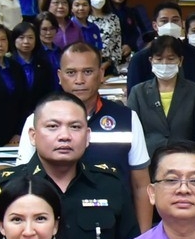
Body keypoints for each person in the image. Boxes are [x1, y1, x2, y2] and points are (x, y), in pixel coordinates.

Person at [0, 91, 137, 239]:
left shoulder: (109, 185)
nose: (65, 136)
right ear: (33, 136)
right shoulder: (2, 189)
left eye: (75, 127)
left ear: (87, 136)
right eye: (53, 126)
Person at [30, 42, 153, 228]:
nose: (79, 80)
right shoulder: (38, 120)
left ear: (101, 74)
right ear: (60, 76)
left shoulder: (127, 119)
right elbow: (24, 181)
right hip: (53, 226)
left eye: (87, 72)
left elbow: (141, 186)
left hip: (114, 225)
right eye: (71, 73)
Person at [127, 35, 195, 148]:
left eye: (171, 59)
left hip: (185, 156)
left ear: (180, 61)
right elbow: (132, 133)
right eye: (159, 59)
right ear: (151, 61)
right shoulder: (138, 93)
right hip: (149, 156)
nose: (164, 63)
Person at [0, 23, 38, 150]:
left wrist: (18, 132)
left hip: (16, 132)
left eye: (3, 39)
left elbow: (24, 101)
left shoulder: (15, 66)